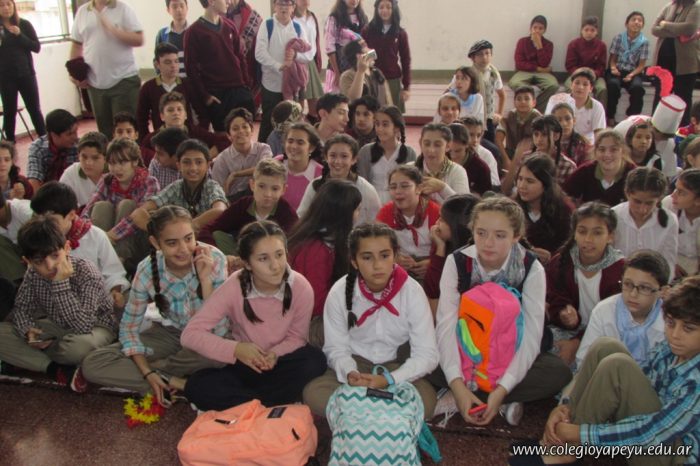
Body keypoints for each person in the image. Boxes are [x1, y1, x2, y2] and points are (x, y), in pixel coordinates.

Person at [510, 275, 700, 466]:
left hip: (672, 454)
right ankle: (562, 438)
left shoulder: (697, 381)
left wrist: (582, 435)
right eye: (670, 323)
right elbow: (635, 388)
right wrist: (564, 407)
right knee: (605, 347)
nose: (675, 334)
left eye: (688, 328)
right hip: (652, 437)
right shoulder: (668, 350)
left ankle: (567, 449)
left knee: (618, 365)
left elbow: (652, 432)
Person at [436, 196, 572, 427]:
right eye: (481, 233)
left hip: (510, 351)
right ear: (472, 230)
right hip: (467, 350)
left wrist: (503, 388)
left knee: (558, 372)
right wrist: (457, 384)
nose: (488, 243)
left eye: (500, 235)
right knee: (418, 354)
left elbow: (532, 336)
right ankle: (468, 393)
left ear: (515, 236)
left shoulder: (531, 267)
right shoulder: (457, 262)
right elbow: (446, 325)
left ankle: (480, 396)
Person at [82, 206, 229, 406]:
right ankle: (169, 379)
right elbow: (129, 327)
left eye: (188, 238)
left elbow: (218, 328)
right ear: (155, 243)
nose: (184, 249)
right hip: (170, 334)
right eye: (172, 243)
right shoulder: (146, 269)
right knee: (93, 363)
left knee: (217, 356)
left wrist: (205, 281)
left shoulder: (214, 259)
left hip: (206, 337)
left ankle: (163, 376)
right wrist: (147, 371)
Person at [181, 220, 328, 411]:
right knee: (197, 385)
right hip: (245, 363)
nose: (275, 266)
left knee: (315, 361)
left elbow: (297, 338)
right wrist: (237, 349)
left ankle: (249, 404)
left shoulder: (301, 287)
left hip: (281, 360)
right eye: (263, 259)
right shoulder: (235, 285)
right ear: (247, 264)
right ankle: (268, 404)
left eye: (279, 254)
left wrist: (274, 354)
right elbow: (190, 334)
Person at [303, 223, 439, 419]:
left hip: (396, 365)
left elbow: (427, 354)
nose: (377, 265)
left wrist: (388, 379)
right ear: (354, 261)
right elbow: (336, 348)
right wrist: (350, 373)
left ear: (395, 256)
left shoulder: (413, 292)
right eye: (367, 257)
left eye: (384, 256)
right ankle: (389, 414)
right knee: (314, 393)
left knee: (426, 401)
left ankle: (359, 413)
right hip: (356, 363)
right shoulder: (340, 292)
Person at [0, 215, 117, 392]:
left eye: (55, 256)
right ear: (28, 262)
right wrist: (28, 331)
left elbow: (83, 325)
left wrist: (59, 283)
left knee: (76, 349)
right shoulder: (32, 274)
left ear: (67, 248)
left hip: (97, 327)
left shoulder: (86, 271)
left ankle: (30, 358)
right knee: (3, 331)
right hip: (57, 326)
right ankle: (55, 369)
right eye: (39, 261)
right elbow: (22, 309)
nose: (50, 266)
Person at [545, 202, 625, 366]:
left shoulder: (621, 270)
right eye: (582, 231)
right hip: (567, 331)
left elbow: (615, 318)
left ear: (610, 236)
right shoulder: (561, 262)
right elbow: (554, 299)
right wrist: (565, 315)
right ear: (574, 233)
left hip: (604, 333)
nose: (588, 239)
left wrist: (577, 343)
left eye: (597, 233)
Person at [31, 181, 129, 309]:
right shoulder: (36, 240)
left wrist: (115, 291)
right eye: (39, 218)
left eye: (52, 220)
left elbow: (114, 273)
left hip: (93, 305)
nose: (45, 224)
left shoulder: (95, 236)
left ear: (71, 215)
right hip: (52, 306)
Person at [288, 180, 362, 347]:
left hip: (322, 312)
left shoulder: (329, 239)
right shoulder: (315, 249)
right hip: (309, 323)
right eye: (357, 209)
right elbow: (316, 302)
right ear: (342, 214)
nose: (359, 214)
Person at [576, 250, 669, 368]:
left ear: (662, 291)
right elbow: (584, 361)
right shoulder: (604, 311)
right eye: (628, 284)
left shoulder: (670, 321)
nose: (633, 294)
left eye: (644, 288)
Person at [69, 0, 144, 138]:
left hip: (124, 79)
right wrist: (74, 73)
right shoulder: (83, 11)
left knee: (126, 130)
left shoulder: (123, 8)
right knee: (105, 132)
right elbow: (76, 45)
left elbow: (139, 39)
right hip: (95, 83)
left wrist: (113, 30)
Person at [199, 158, 298, 256]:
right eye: (261, 186)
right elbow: (208, 229)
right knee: (217, 234)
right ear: (252, 185)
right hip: (241, 256)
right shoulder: (242, 205)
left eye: (275, 189)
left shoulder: (287, 214)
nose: (268, 194)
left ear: (283, 190)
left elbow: (296, 246)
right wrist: (217, 255)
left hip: (271, 260)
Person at [131, 139, 228, 236]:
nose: (193, 168)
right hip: (176, 238)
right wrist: (160, 233)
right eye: (186, 162)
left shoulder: (211, 187)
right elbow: (137, 213)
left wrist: (191, 226)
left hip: (205, 240)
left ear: (207, 165)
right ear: (179, 166)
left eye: (199, 162)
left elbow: (220, 210)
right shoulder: (176, 187)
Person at [184, 0, 255, 132]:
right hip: (217, 93)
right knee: (223, 136)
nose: (228, 2)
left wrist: (246, 86)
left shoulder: (229, 25)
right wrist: (205, 96)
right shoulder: (194, 31)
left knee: (245, 131)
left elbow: (240, 57)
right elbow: (191, 69)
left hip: (239, 89)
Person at [81, 138, 160, 248]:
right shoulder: (106, 180)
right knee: (101, 206)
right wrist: (93, 233)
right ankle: (99, 251)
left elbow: (138, 217)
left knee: (127, 204)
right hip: (104, 239)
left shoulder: (149, 182)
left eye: (122, 162)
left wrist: (110, 235)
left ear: (135, 161)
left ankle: (118, 255)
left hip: (137, 242)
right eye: (112, 163)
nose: (117, 168)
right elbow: (88, 210)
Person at [254, 0, 313, 144]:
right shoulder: (267, 25)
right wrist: (278, 66)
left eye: (287, 4)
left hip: (293, 86)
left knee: (292, 123)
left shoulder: (298, 27)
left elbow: (308, 54)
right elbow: (259, 53)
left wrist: (295, 56)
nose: (283, 8)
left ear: (293, 8)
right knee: (269, 121)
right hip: (272, 84)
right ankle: (263, 153)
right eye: (280, 4)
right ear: (274, 6)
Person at [297, 133, 381, 225]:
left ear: (354, 159)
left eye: (344, 156)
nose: (337, 161)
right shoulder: (316, 186)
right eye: (333, 155)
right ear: (326, 157)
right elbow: (302, 217)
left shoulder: (366, 189)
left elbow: (376, 221)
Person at [376, 165, 440, 281]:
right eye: (393, 187)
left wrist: (432, 262)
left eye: (405, 186)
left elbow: (449, 247)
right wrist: (394, 258)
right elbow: (377, 244)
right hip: (398, 266)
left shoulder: (435, 212)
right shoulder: (386, 212)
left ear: (419, 188)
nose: (398, 192)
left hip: (431, 266)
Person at [613, 167, 679, 279]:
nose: (642, 209)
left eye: (649, 203)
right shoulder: (614, 216)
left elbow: (668, 262)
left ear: (659, 198)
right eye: (637, 201)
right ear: (627, 193)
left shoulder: (670, 220)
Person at [140, 91, 229, 168]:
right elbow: (142, 157)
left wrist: (204, 157)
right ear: (162, 116)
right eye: (170, 110)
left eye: (179, 109)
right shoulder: (151, 139)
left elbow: (225, 141)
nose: (176, 113)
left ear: (186, 115)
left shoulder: (196, 132)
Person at [423, 194, 479, 314]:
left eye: (442, 219)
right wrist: (440, 248)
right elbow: (432, 291)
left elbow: (435, 296)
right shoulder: (445, 243)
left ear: (456, 226)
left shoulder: (472, 255)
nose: (437, 222)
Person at [514, 154, 573, 265]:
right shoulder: (512, 209)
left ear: (546, 184)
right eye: (520, 179)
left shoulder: (563, 212)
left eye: (530, 181)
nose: (522, 186)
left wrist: (552, 257)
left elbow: (569, 249)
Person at [0, 0, 45, 142]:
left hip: (26, 74)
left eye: (9, 4)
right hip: (5, 77)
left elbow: (36, 47)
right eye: (1, 5)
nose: (6, 8)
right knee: (9, 112)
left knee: (34, 109)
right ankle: (10, 144)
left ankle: (45, 141)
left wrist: (20, 35)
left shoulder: (24, 24)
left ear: (14, 5)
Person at [136, 42, 200, 141]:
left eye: (176, 61)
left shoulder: (187, 84)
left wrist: (199, 135)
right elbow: (141, 119)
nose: (173, 66)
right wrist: (146, 141)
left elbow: (201, 113)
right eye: (168, 62)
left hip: (187, 138)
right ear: (157, 64)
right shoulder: (148, 88)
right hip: (161, 139)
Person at [652, 0, 700, 125]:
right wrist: (677, 31)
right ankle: (655, 128)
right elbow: (654, 29)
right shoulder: (669, 6)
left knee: (683, 98)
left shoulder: (696, 6)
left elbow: (689, 28)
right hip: (663, 61)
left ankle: (682, 130)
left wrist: (665, 24)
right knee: (660, 96)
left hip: (685, 64)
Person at [210, 107, 273, 200]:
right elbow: (217, 192)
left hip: (259, 198)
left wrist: (236, 174)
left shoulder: (263, 149)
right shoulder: (222, 160)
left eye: (245, 127)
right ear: (229, 135)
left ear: (252, 130)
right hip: (233, 200)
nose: (241, 131)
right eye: (235, 129)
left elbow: (264, 168)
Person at [502, 115, 576, 193]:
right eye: (536, 134)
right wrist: (516, 158)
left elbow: (568, 196)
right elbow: (505, 189)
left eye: (544, 134)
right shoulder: (525, 157)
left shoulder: (567, 165)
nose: (539, 139)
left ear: (556, 136)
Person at [356, 105, 415, 202]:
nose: (379, 129)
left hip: (399, 202)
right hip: (370, 201)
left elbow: (412, 184)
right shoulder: (366, 151)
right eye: (377, 124)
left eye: (385, 124)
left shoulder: (409, 153)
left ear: (396, 128)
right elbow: (362, 184)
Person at [563, 129, 636, 207]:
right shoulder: (585, 171)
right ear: (595, 152)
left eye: (613, 150)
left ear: (623, 151)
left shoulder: (633, 175)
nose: (607, 155)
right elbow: (565, 197)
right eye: (602, 150)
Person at [361, 0, 410, 113]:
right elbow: (362, 53)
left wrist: (406, 87)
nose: (384, 10)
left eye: (388, 7)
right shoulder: (367, 31)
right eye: (381, 7)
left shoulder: (400, 33)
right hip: (372, 79)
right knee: (372, 113)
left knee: (393, 115)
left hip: (392, 79)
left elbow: (405, 60)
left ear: (394, 9)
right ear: (376, 9)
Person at [408, 123, 470, 204]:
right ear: (420, 143)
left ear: (448, 146)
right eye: (427, 144)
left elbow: (465, 205)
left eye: (437, 145)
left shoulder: (457, 171)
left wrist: (442, 188)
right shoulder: (409, 169)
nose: (431, 150)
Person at [508, 15, 559, 114]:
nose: (537, 31)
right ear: (530, 28)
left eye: (540, 28)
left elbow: (544, 63)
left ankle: (534, 109)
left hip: (543, 74)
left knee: (553, 85)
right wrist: (538, 68)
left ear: (544, 30)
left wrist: (539, 45)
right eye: (535, 27)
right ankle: (527, 107)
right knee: (515, 83)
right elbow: (519, 63)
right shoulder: (522, 42)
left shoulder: (548, 44)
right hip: (524, 72)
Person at [606, 11, 649, 125]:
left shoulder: (644, 42)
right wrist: (613, 68)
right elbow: (612, 59)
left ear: (642, 25)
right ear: (626, 23)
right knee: (613, 85)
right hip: (618, 70)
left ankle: (631, 119)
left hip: (634, 72)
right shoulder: (618, 38)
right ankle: (610, 117)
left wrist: (631, 75)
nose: (637, 22)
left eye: (640, 21)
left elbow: (641, 65)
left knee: (638, 89)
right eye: (634, 19)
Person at [545, 67, 606, 144]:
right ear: (571, 85)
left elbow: (599, 135)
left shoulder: (597, 106)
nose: (580, 87)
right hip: (559, 143)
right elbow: (547, 126)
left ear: (591, 88)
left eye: (585, 84)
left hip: (585, 144)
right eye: (577, 83)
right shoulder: (556, 100)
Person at [26, 109, 79, 192]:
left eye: (76, 132)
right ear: (53, 135)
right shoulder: (37, 148)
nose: (75, 137)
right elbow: (34, 180)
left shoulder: (79, 146)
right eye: (69, 134)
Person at [274, 121, 323, 210]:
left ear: (311, 148)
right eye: (290, 141)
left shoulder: (320, 174)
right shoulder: (276, 163)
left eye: (300, 142)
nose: (294, 146)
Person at [323, 0, 368, 93]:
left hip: (357, 67)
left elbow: (366, 44)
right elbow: (329, 47)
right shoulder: (334, 18)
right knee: (337, 98)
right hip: (338, 66)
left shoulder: (363, 18)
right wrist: (337, 72)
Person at [663, 168, 700, 277]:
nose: (673, 195)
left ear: (698, 200)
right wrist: (670, 263)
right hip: (673, 262)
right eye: (675, 188)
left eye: (681, 192)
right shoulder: (668, 205)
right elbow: (658, 242)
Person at [564, 16, 608, 107]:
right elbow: (569, 65)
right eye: (586, 30)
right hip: (576, 75)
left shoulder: (601, 46)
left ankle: (600, 113)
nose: (589, 33)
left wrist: (592, 75)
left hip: (595, 76)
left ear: (596, 32)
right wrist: (580, 74)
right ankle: (571, 111)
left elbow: (601, 67)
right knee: (569, 87)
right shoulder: (573, 44)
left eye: (592, 30)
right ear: (582, 31)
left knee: (602, 89)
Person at [495, 86, 541, 172]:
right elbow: (498, 139)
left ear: (534, 102)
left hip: (531, 154)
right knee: (496, 155)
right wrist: (506, 159)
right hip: (511, 152)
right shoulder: (509, 116)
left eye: (527, 99)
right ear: (514, 102)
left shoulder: (539, 118)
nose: (522, 102)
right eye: (519, 99)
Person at [467, 40, 505, 142]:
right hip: (472, 117)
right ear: (473, 58)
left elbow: (502, 95)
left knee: (491, 144)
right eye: (480, 54)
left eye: (487, 53)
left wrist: (499, 114)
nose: (484, 57)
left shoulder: (494, 73)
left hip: (488, 118)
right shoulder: (468, 74)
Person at [59, 132, 108, 209]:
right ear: (78, 155)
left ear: (105, 158)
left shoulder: (115, 173)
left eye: (95, 158)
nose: (88, 163)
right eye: (84, 157)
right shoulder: (70, 174)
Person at [294, 0, 323, 121]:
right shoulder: (292, 17)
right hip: (296, 63)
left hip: (310, 61)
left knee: (315, 104)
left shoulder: (312, 16)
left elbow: (315, 40)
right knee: (298, 105)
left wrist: (317, 61)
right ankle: (299, 127)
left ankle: (313, 126)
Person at [339, 39, 392, 106]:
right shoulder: (347, 76)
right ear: (359, 56)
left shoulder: (377, 72)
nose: (371, 49)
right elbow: (352, 100)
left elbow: (387, 98)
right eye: (366, 47)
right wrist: (360, 71)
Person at [447, 123, 492, 196]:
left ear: (467, 145)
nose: (453, 156)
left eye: (458, 151)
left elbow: (485, 197)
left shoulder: (481, 168)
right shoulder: (439, 160)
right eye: (449, 151)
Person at [462, 116, 501, 189]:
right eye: (470, 135)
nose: (475, 140)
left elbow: (494, 183)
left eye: (478, 135)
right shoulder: (451, 152)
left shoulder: (486, 155)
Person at [155, 0, 189, 78]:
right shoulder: (162, 34)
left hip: (190, 81)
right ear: (168, 10)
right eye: (174, 7)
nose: (179, 9)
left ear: (187, 8)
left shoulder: (194, 32)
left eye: (182, 6)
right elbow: (157, 59)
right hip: (170, 81)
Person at [551, 102, 592, 166]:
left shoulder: (583, 144)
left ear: (574, 120)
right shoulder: (548, 143)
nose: (564, 124)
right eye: (559, 120)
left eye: (568, 119)